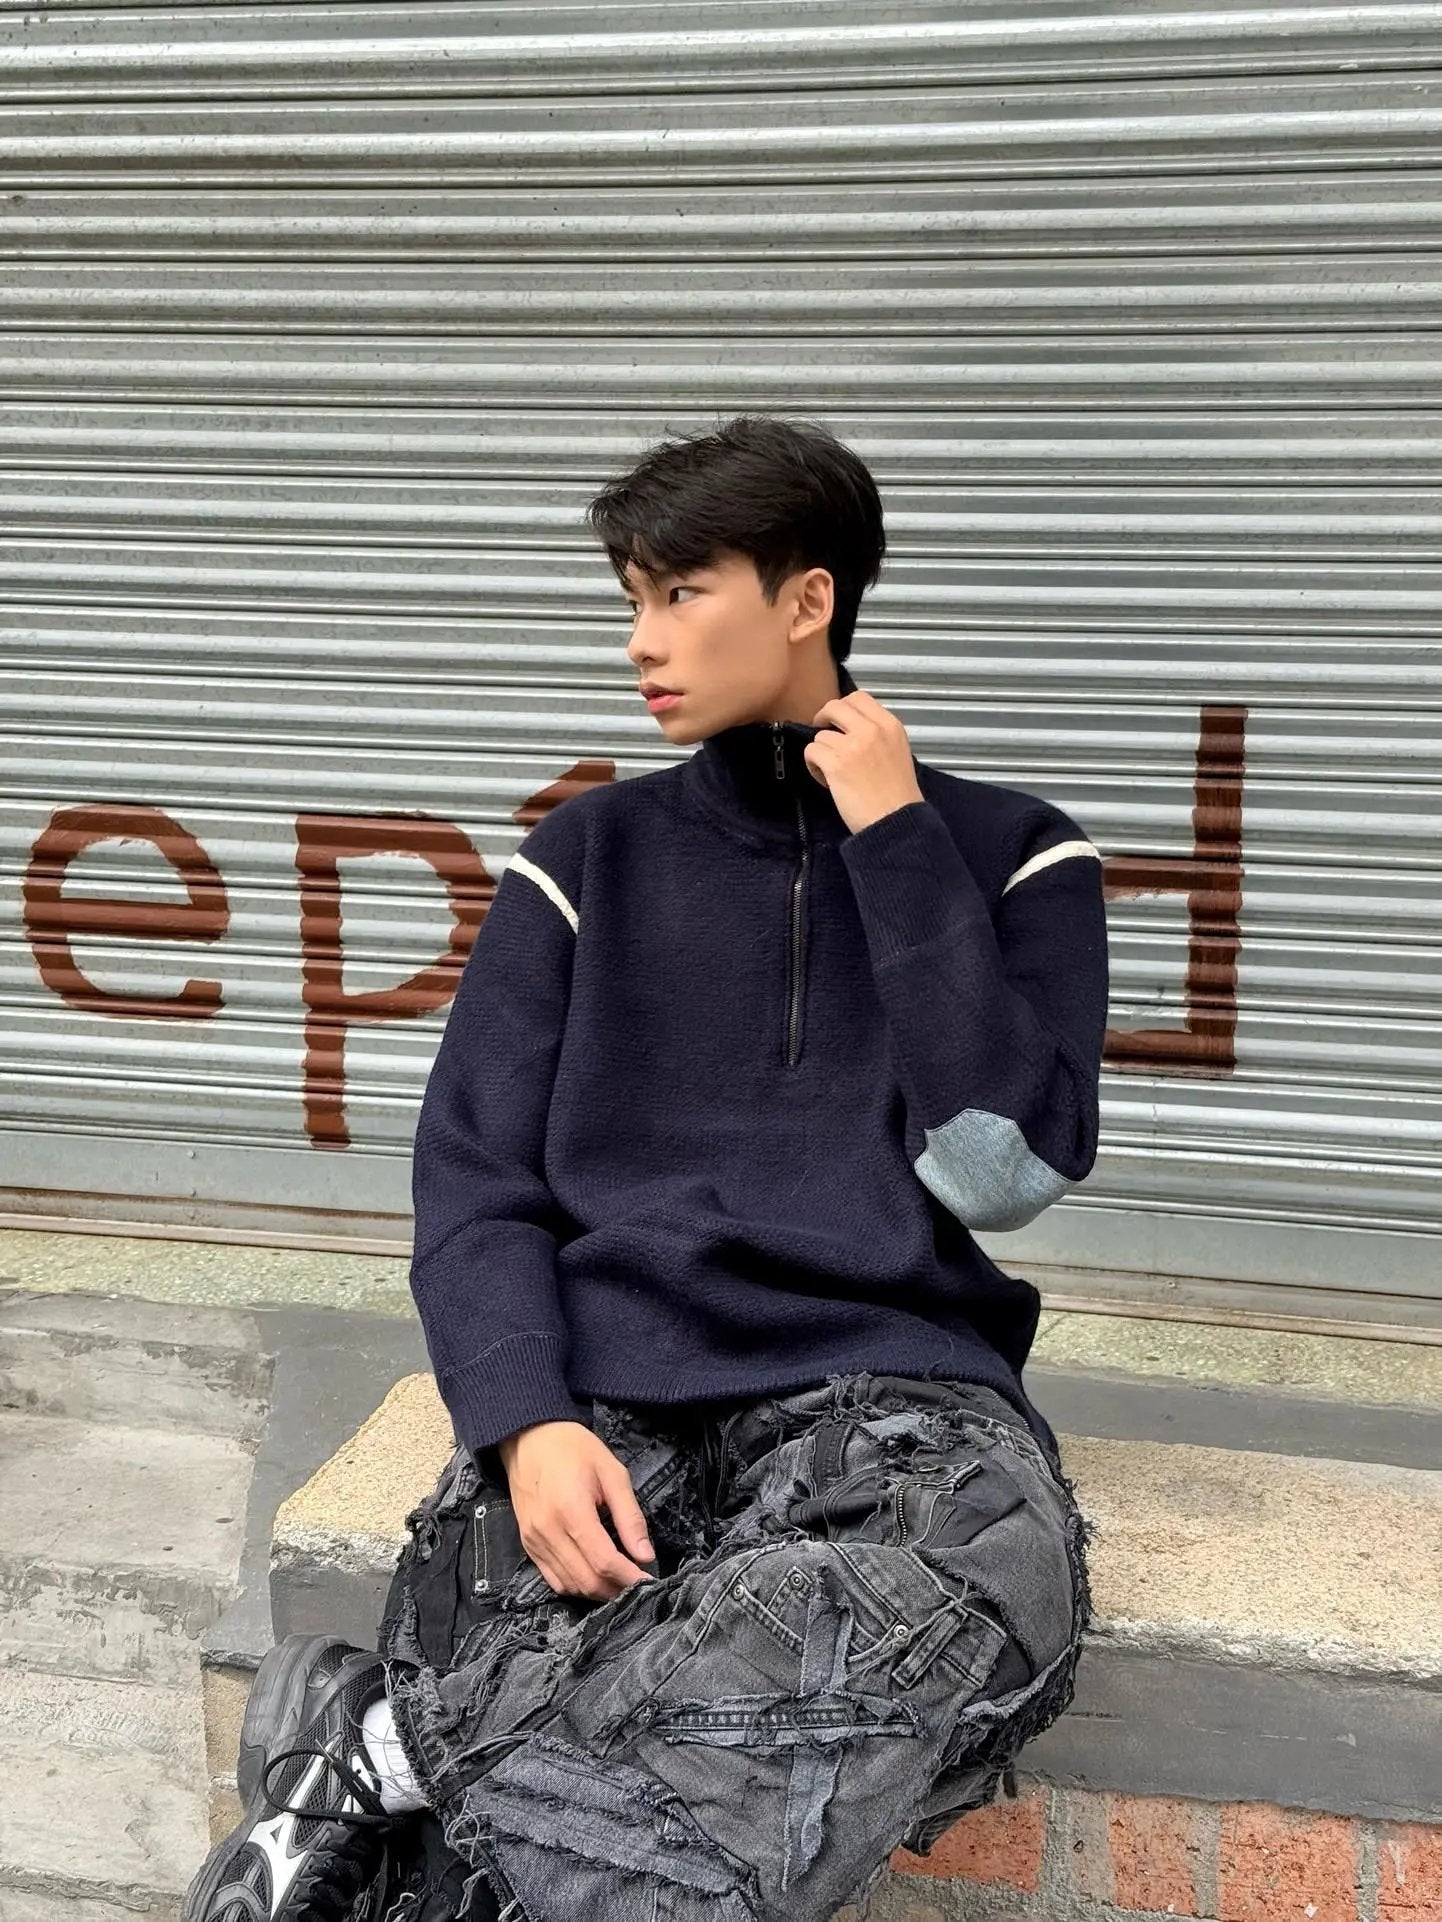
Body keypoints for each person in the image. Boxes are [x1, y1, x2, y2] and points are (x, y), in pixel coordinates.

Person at [182, 414, 1110, 1922]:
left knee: (989, 1581)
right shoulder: (584, 857)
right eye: (631, 598)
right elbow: (474, 1181)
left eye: (681, 593)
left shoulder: (1016, 856)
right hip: (609, 1392)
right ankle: (427, 1783)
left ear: (807, 600)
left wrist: (893, 840)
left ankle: (379, 1747)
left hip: (892, 1393)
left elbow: (998, 1173)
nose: (640, 642)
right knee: (552, 1671)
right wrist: (525, 1419)